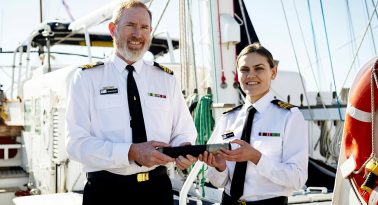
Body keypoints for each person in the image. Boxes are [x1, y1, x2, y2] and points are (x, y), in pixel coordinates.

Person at [65, 1, 197, 204]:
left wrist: (182, 149)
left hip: (157, 190)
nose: (138, 34)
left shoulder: (166, 79)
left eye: (144, 27)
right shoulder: (86, 78)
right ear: (112, 29)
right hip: (106, 192)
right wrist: (131, 152)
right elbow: (76, 144)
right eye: (130, 25)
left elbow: (183, 131)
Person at [200, 43, 308, 205]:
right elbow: (218, 182)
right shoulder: (228, 118)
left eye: (258, 68)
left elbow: (297, 179)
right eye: (244, 70)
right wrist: (220, 168)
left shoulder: (289, 116)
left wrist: (256, 157)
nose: (251, 75)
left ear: (273, 72)